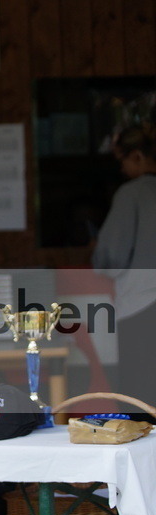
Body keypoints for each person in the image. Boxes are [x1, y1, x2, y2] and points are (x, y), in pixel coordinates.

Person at [92, 122, 156, 421]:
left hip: (142, 304)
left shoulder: (132, 194)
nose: (121, 169)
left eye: (122, 161)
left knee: (141, 396)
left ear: (138, 157)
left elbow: (111, 258)